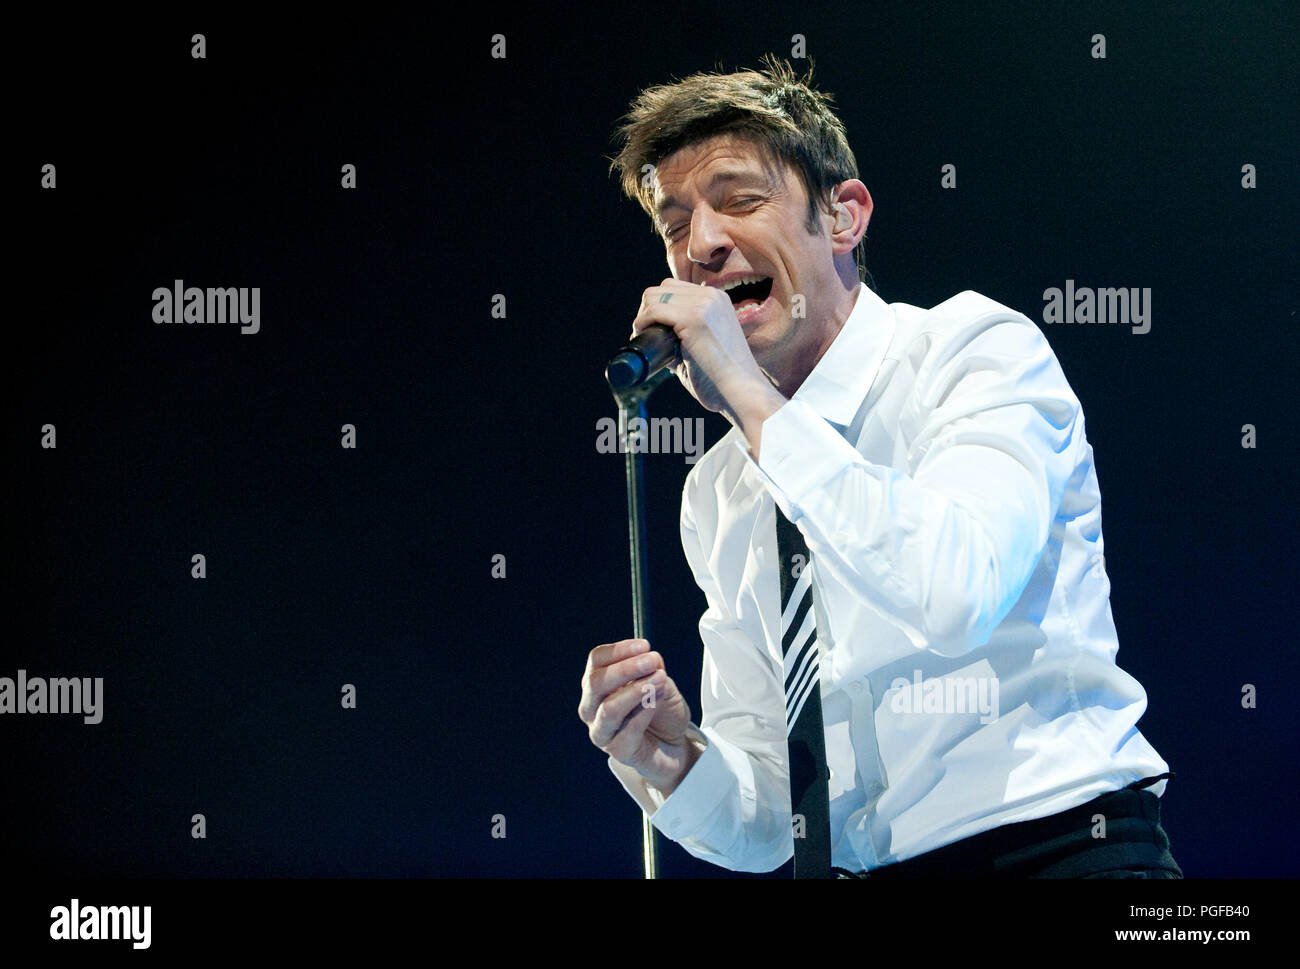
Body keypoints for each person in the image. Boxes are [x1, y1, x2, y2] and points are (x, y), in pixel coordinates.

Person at [577, 56, 1181, 878]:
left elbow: (956, 589)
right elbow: (771, 820)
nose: (703, 245)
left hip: (1060, 849)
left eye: (739, 199)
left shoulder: (969, 352)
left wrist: (754, 403)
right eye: (674, 224)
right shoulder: (718, 491)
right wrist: (673, 759)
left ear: (844, 216)